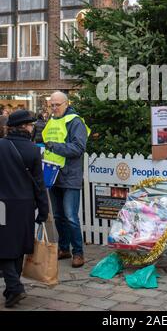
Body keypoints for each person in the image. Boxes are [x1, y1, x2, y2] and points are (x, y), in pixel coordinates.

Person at [0, 110, 49, 308]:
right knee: (18, 246)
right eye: (30, 125)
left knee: (3, 247)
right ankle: (13, 289)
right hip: (25, 205)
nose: (32, 127)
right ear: (25, 127)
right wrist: (43, 210)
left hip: (2, 205)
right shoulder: (33, 150)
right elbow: (39, 184)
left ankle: (14, 287)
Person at [42, 91, 90, 268]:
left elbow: (78, 148)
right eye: (51, 105)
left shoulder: (76, 121)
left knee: (70, 217)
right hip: (53, 175)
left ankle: (78, 253)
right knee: (57, 216)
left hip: (70, 176)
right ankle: (64, 249)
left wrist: (53, 147)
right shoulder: (52, 120)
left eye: (57, 105)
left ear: (66, 103)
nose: (54, 108)